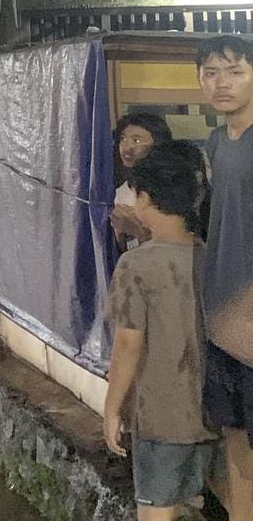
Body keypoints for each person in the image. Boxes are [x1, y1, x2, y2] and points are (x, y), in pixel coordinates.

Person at [103, 143, 216, 520]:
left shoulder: (136, 264)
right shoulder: (211, 256)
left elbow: (127, 343)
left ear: (145, 199)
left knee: (156, 510)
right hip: (214, 413)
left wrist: (112, 408)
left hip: (161, 415)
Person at [196, 35, 253, 521]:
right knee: (233, 431)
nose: (222, 83)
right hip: (222, 318)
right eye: (211, 73)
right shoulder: (216, 142)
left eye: (234, 71)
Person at [111, 112, 173, 251]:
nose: (127, 147)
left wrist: (137, 230)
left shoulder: (171, 189)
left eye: (137, 140)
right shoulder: (120, 191)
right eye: (123, 139)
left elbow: (177, 246)